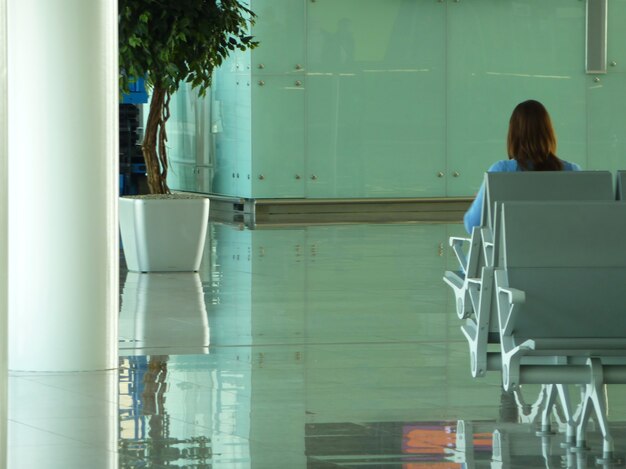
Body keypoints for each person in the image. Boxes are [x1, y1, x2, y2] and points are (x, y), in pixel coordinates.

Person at [463, 100, 581, 233]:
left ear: (513, 134)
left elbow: (472, 225)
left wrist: (481, 200)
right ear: (549, 132)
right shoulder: (572, 171)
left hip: (509, 254)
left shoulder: (501, 171)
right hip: (561, 252)